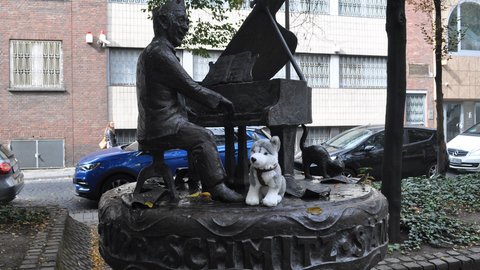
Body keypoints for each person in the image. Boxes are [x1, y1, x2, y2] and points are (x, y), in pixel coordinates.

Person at [134, 0, 243, 202]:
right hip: (161, 127)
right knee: (203, 137)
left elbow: (168, 92)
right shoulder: (160, 53)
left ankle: (197, 178)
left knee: (195, 130)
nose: (186, 27)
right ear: (165, 22)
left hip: (153, 125)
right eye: (182, 21)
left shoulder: (150, 52)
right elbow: (188, 86)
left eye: (187, 21)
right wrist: (219, 100)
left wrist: (189, 113)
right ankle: (218, 188)